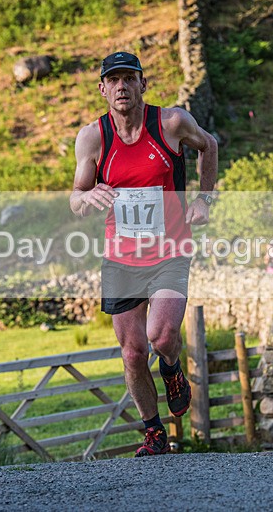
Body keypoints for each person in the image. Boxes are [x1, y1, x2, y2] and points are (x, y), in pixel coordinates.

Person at [69, 51, 218, 456]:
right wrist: (87, 195)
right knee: (133, 352)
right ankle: (154, 433)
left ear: (142, 84)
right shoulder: (93, 137)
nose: (121, 86)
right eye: (112, 80)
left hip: (170, 249)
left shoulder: (171, 123)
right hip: (121, 258)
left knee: (162, 335)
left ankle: (171, 367)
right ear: (102, 89)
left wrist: (205, 198)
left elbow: (210, 145)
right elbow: (75, 198)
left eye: (128, 78)